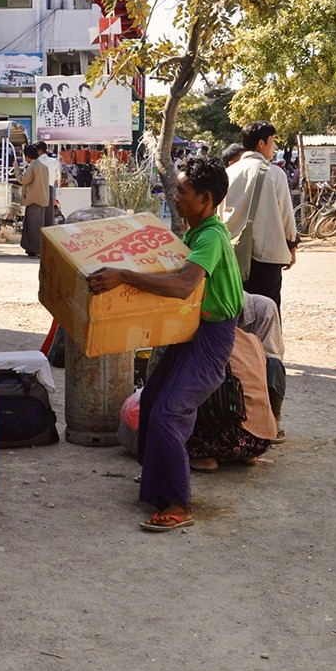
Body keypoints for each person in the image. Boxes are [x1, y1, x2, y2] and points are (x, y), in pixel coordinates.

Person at [89, 154, 243, 532]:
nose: (175, 195)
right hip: (190, 333)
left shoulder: (209, 236)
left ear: (206, 200)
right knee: (154, 401)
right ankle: (159, 487)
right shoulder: (195, 232)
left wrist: (124, 276)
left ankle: (179, 504)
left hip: (212, 337)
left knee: (169, 412)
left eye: (184, 191)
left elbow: (183, 285)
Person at [222, 120, 298, 314]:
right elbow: (287, 215)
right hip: (268, 257)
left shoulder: (228, 173)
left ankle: (242, 345)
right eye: (272, 142)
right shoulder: (275, 174)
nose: (274, 147)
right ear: (261, 144)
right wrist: (291, 246)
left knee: (237, 312)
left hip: (234, 256)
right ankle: (264, 346)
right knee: (267, 313)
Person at [186, 326, 279, 471]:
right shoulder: (253, 339)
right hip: (264, 440)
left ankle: (204, 458)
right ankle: (247, 455)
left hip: (233, 438)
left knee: (176, 421)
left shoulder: (211, 340)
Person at [19, 143, 50, 256]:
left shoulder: (33, 166)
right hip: (42, 201)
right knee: (36, 226)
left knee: (32, 227)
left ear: (27, 156)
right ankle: (32, 249)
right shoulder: (43, 167)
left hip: (33, 201)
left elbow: (23, 180)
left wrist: (16, 169)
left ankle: (36, 250)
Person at [38, 140, 59, 225]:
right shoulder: (53, 161)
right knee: (49, 213)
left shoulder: (36, 162)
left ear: (39, 151)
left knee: (38, 213)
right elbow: (57, 177)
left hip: (38, 189)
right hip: (50, 188)